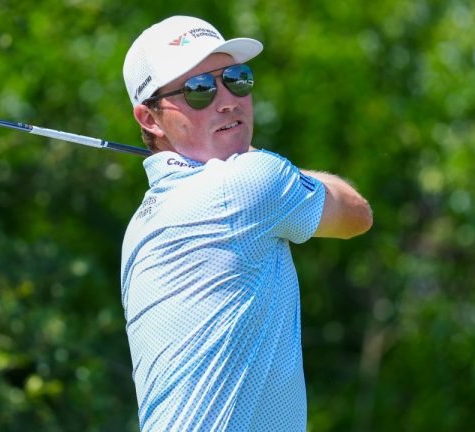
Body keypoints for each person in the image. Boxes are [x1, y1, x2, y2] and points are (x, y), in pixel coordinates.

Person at [119, 15, 373, 431]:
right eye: (199, 90)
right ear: (149, 119)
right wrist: (257, 159)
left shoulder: (141, 225)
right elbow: (356, 214)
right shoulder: (249, 183)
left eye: (235, 79)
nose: (227, 100)